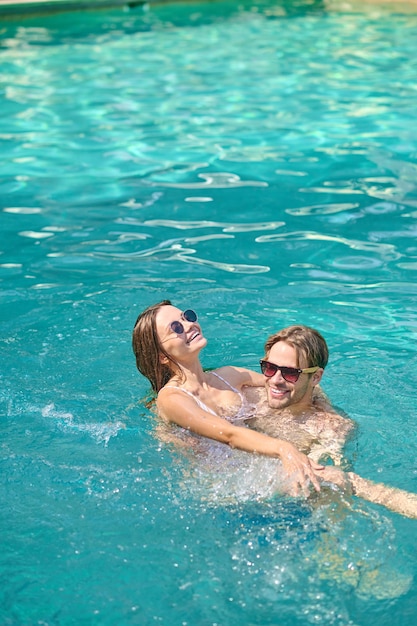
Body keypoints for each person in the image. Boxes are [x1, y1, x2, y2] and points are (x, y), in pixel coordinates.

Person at [132, 300, 325, 496]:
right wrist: (284, 449)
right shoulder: (172, 398)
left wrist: (327, 414)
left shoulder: (228, 375)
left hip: (256, 467)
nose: (189, 325)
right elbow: (229, 435)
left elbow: (296, 385)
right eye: (176, 327)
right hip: (225, 489)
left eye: (187, 316)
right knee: (334, 479)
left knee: (332, 476)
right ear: (162, 356)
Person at [248, 325, 417, 519]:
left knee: (338, 479)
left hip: (277, 510)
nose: (275, 380)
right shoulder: (252, 396)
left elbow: (332, 486)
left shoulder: (328, 427)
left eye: (290, 373)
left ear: (316, 377)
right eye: (269, 368)